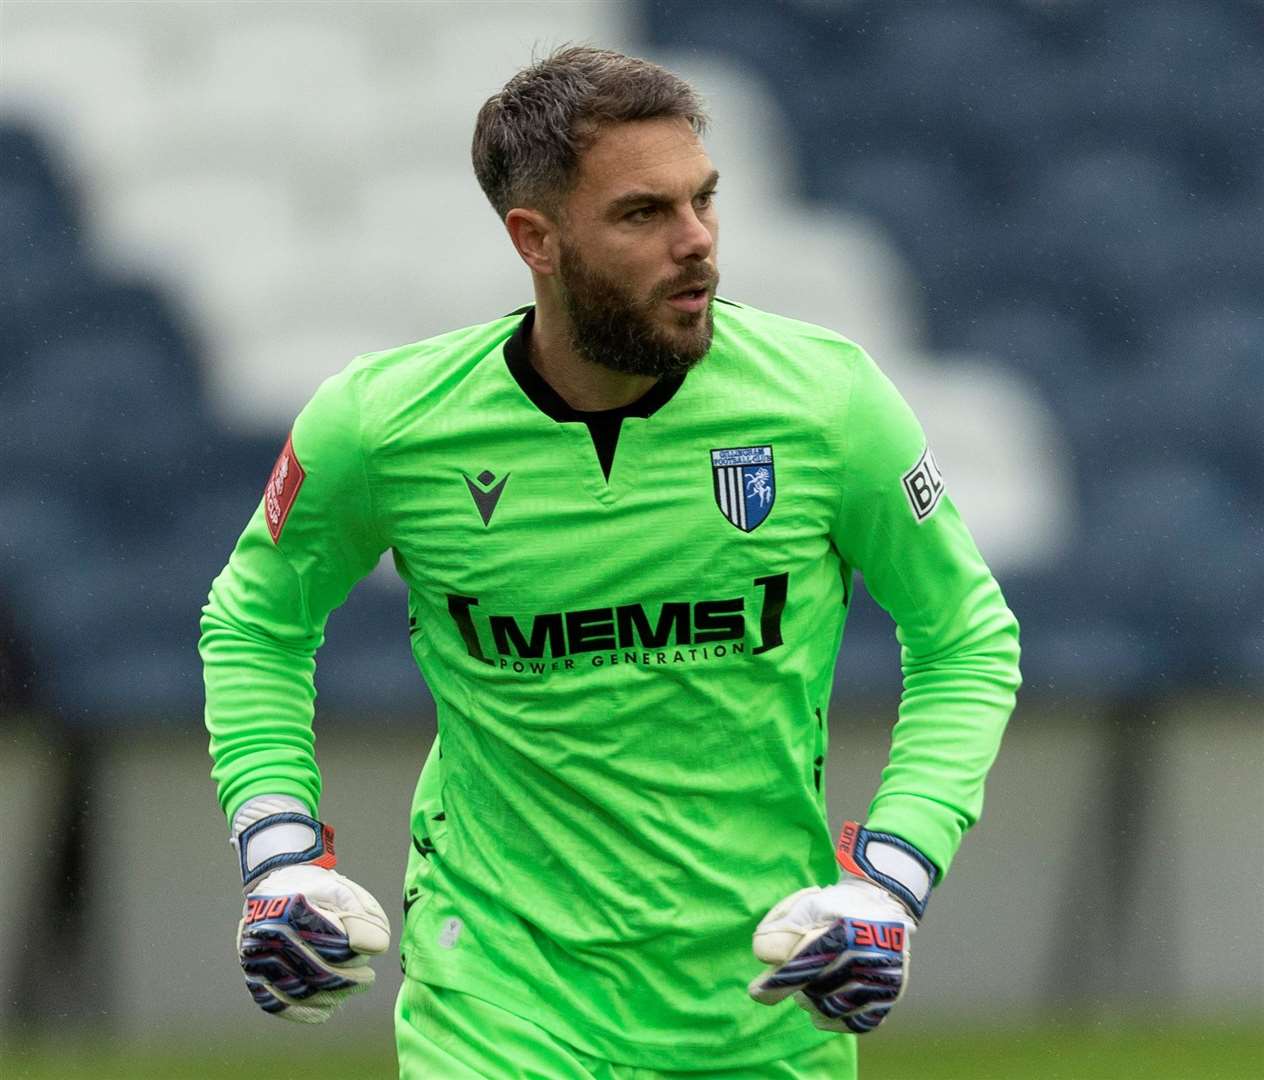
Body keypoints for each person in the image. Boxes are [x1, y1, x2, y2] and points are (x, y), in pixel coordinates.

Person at [201, 45, 1021, 1080]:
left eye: (704, 201)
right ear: (534, 239)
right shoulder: (381, 424)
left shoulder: (828, 403)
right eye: (644, 214)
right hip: (496, 1001)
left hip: (765, 1002)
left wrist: (889, 883)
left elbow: (964, 638)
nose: (698, 246)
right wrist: (277, 852)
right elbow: (255, 624)